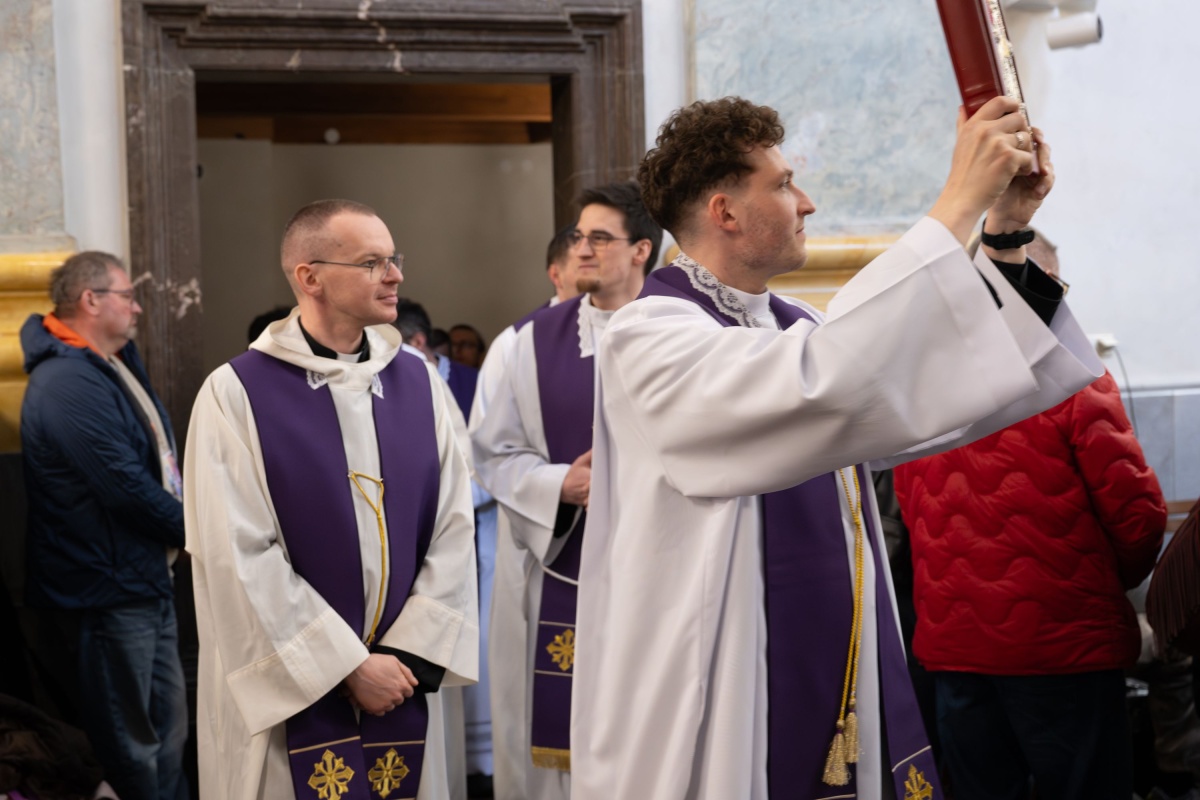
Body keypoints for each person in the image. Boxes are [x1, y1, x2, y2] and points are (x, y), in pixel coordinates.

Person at [569, 96, 1104, 800]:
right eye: (785, 184)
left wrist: (1004, 232)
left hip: (837, 652)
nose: (808, 203)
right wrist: (957, 202)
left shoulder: (796, 321)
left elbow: (939, 385)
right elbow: (820, 379)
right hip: (723, 673)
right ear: (726, 212)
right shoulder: (648, 334)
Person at [184, 199, 478, 800]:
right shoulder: (235, 393)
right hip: (294, 695)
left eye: (393, 259)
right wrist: (346, 666)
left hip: (401, 678)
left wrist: (405, 655)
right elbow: (237, 555)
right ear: (309, 277)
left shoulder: (418, 381)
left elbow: (453, 524)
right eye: (372, 263)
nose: (395, 275)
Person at [892, 232, 1167, 800]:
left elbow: (916, 521)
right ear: (1034, 285)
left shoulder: (920, 391)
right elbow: (1138, 517)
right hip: (1062, 648)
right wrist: (1099, 584)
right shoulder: (1072, 377)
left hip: (956, 651)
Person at [473, 182, 662, 800]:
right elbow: (490, 452)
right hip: (560, 566)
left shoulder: (682, 330)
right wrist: (561, 483)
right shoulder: (523, 343)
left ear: (641, 250)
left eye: (600, 238)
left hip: (665, 568)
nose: (582, 248)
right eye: (579, 236)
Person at [19, 251, 188, 800]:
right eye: (127, 296)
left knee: (169, 734)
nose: (137, 308)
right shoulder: (67, 379)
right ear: (91, 300)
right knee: (133, 745)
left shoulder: (108, 362)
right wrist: (199, 532)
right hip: (108, 588)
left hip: (142, 576)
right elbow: (125, 488)